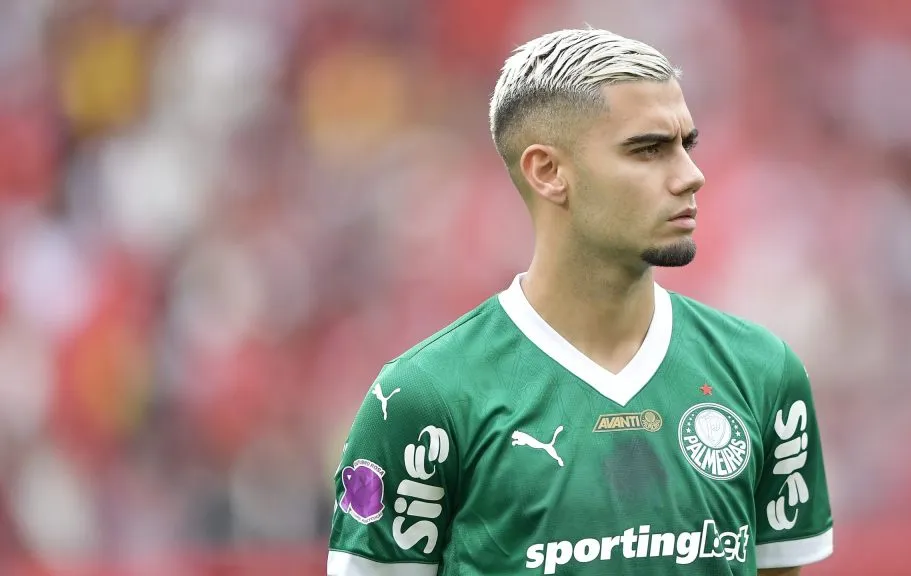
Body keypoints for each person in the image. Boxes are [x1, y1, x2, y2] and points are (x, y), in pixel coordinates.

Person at [327, 28, 833, 575]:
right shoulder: (423, 400)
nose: (692, 176)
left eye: (686, 145)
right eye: (648, 150)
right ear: (548, 172)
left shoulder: (763, 373)